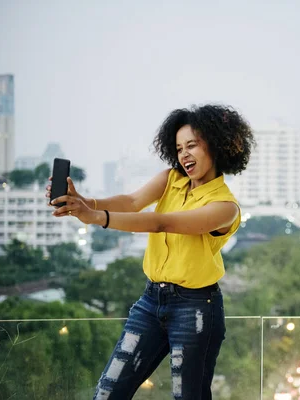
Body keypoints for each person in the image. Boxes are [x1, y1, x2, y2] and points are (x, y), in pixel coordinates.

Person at [47, 104, 254, 399]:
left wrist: (96, 217)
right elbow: (131, 202)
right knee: (108, 392)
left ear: (217, 145)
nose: (184, 154)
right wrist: (84, 202)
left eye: (192, 145)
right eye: (179, 147)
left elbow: (161, 223)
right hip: (150, 301)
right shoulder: (170, 179)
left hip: (196, 307)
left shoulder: (225, 207)